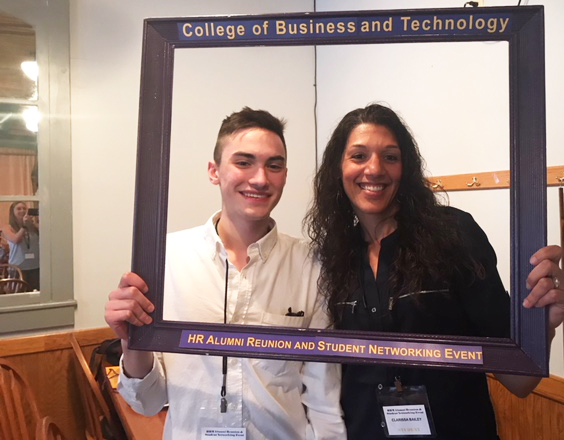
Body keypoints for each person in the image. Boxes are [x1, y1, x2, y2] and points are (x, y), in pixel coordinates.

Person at [304, 103, 564, 439]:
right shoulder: (331, 255)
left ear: (406, 168)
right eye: (359, 156)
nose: (375, 168)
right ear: (338, 169)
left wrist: (544, 324)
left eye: (390, 157)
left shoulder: (455, 235)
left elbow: (520, 381)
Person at [105, 107, 346, 439]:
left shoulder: (311, 264)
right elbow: (148, 402)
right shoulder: (164, 259)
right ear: (214, 171)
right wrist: (131, 340)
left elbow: (323, 399)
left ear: (285, 175)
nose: (260, 179)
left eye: (274, 165)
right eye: (244, 162)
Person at [2, 201, 40, 290]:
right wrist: (24, 226)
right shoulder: (7, 228)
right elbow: (16, 240)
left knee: (35, 294)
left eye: (24, 208)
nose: (22, 211)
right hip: (18, 268)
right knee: (18, 293)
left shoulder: (34, 227)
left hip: (35, 266)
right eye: (19, 209)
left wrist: (35, 222)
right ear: (13, 212)